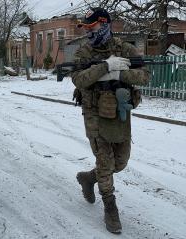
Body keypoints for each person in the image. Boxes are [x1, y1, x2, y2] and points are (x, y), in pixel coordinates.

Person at [72, 8, 150, 234]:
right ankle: (110, 205)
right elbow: (79, 80)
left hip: (118, 112)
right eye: (86, 28)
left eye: (92, 27)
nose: (88, 32)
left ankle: (89, 178)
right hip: (94, 112)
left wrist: (119, 74)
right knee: (105, 162)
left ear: (105, 24)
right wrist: (105, 66)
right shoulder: (84, 52)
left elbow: (145, 75)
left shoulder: (124, 48)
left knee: (120, 162)